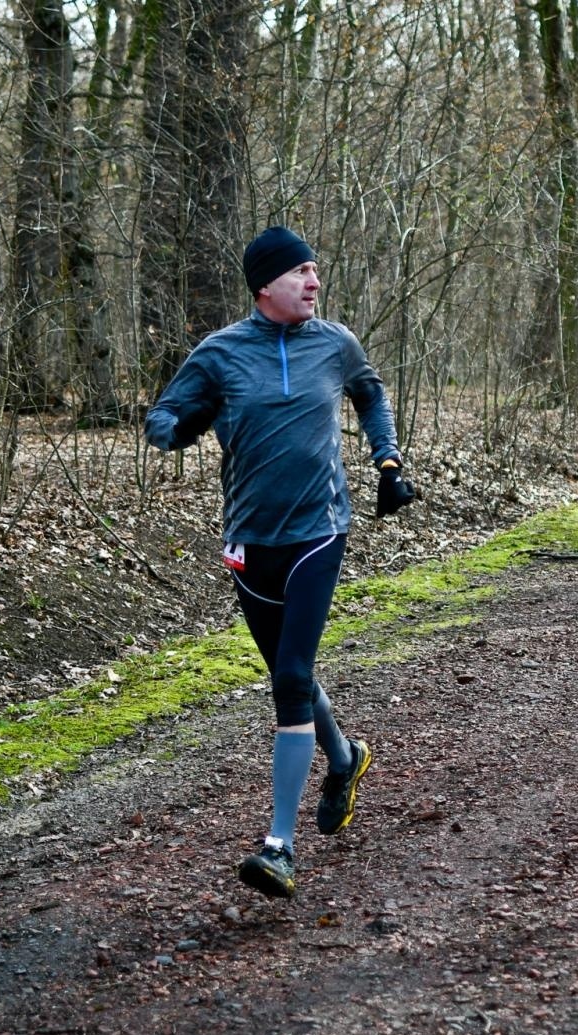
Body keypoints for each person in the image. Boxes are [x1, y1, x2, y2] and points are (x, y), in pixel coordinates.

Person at [144, 225, 417, 900]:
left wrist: (387, 460)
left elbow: (371, 392)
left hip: (319, 531)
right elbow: (164, 418)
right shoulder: (221, 353)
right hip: (249, 540)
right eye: (302, 272)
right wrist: (179, 425)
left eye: (316, 271)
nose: (315, 282)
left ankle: (279, 846)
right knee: (290, 674)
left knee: (291, 678)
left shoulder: (335, 343)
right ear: (265, 284)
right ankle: (345, 758)